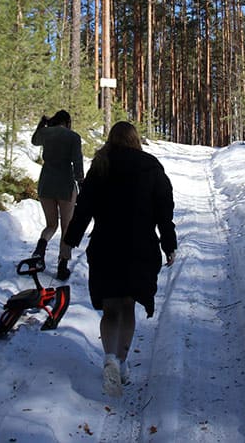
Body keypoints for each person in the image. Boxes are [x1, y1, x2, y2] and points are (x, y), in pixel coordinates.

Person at [65, 121, 177, 397]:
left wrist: (69, 242)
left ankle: (110, 360)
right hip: (140, 247)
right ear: (135, 139)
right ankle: (122, 363)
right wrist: (169, 245)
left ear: (112, 139)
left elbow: (84, 208)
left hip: (105, 246)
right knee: (128, 307)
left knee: (110, 307)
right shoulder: (151, 166)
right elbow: (164, 209)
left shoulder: (101, 165)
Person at [31, 110, 84, 281]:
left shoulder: (45, 133)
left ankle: (39, 251)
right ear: (68, 122)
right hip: (65, 184)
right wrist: (81, 183)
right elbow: (77, 162)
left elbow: (34, 141)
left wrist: (42, 124)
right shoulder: (73, 137)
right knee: (66, 227)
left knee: (50, 225)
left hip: (46, 182)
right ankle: (63, 265)